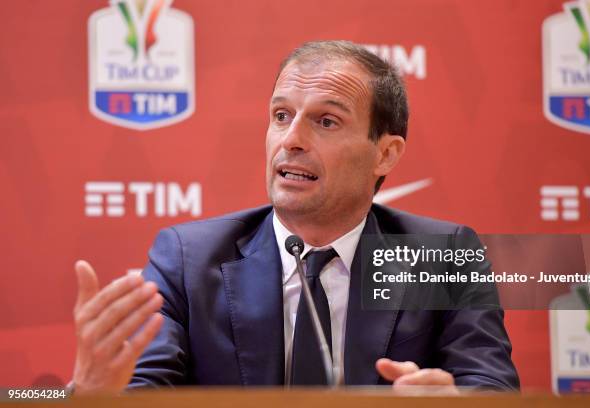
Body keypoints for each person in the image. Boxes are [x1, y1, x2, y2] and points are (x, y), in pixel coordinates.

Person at [70, 40, 520, 394]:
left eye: (326, 122)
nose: (291, 139)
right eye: (281, 115)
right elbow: (139, 390)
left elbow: (493, 386)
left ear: (385, 153)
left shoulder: (441, 256)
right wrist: (83, 393)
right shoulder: (188, 259)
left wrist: (458, 400)